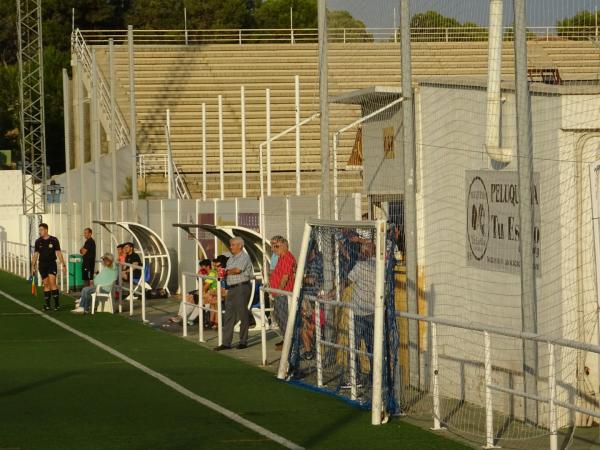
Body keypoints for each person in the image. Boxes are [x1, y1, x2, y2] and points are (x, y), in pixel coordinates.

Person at [215, 237, 253, 351]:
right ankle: (226, 343)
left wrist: (225, 272)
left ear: (240, 246)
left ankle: (243, 341)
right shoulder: (231, 258)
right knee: (228, 316)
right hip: (231, 288)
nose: (230, 247)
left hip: (241, 287)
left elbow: (238, 270)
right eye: (231, 244)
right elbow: (226, 272)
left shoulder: (244, 257)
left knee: (242, 314)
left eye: (232, 245)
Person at [269, 236, 297, 351]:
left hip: (283, 294)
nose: (273, 249)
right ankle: (286, 341)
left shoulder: (287, 257)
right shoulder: (281, 257)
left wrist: (278, 291)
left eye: (276, 246)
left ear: (285, 245)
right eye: (272, 246)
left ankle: (289, 344)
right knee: (279, 318)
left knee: (284, 319)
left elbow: (285, 278)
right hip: (279, 294)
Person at [31, 223, 67, 311]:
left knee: (52, 283)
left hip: (51, 264)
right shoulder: (38, 241)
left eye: (41, 230)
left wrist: (63, 264)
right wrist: (33, 265)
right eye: (39, 230)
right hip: (42, 265)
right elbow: (36, 254)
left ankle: (57, 304)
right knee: (46, 284)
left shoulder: (54, 240)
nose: (40, 232)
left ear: (46, 230)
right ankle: (47, 305)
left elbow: (58, 253)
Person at [168, 259, 212, 324]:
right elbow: (201, 285)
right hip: (204, 291)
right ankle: (180, 316)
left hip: (209, 293)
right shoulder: (204, 273)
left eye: (203, 266)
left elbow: (205, 288)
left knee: (195, 299)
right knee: (187, 296)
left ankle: (187, 318)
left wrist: (197, 292)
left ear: (208, 266)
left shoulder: (212, 273)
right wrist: (199, 277)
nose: (201, 268)